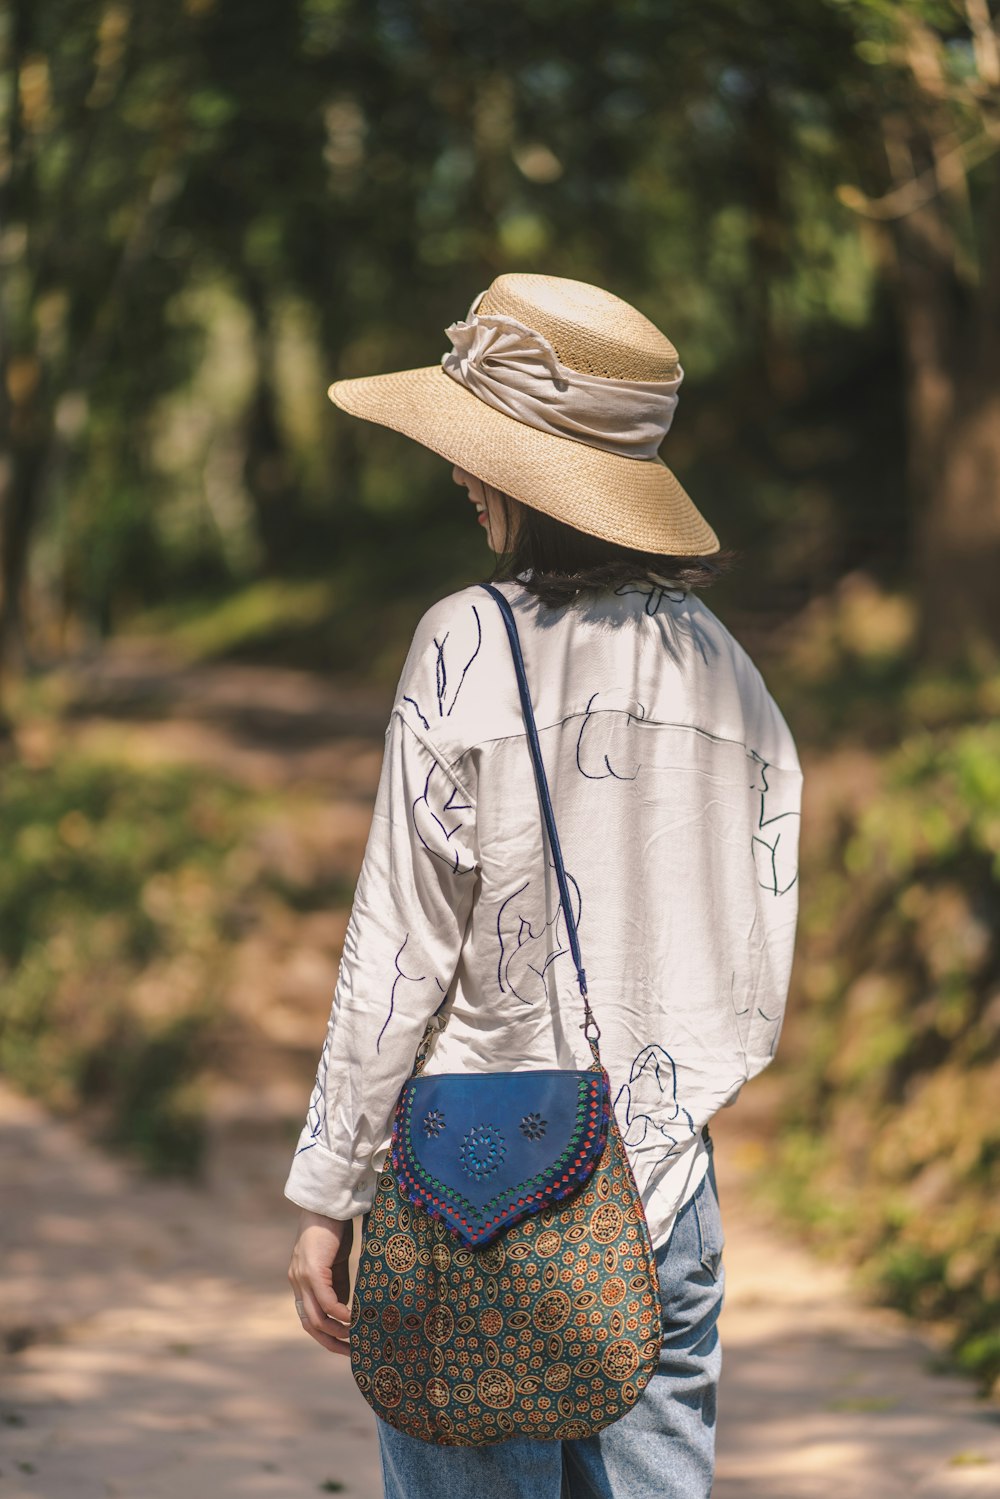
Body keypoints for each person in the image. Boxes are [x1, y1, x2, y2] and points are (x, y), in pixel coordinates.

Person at [285, 273, 803, 1499]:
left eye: (477, 452)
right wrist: (662, 1107)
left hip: (475, 1185)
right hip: (664, 1193)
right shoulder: (726, 670)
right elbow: (754, 958)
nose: (461, 475)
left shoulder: (463, 638)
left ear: (530, 470)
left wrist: (330, 1188)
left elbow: (400, 946)